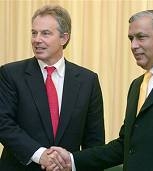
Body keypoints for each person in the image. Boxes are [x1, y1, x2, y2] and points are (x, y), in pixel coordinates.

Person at [44, 9, 153, 171]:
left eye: (141, 37)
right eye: (131, 38)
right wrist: (72, 160)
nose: (133, 45)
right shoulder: (138, 85)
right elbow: (125, 146)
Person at [0, 4, 105, 171]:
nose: (37, 39)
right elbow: (3, 123)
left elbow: (94, 140)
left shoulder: (88, 80)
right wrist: (40, 154)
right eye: (34, 33)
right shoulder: (10, 74)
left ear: (64, 38)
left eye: (45, 33)